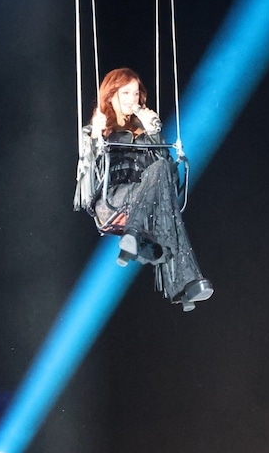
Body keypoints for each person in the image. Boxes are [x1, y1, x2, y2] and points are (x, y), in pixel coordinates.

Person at [74, 67, 213, 311]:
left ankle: (173, 274)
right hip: (112, 201)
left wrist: (154, 133)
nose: (132, 99)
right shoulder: (99, 130)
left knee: (164, 190)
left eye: (136, 93)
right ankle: (176, 276)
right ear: (111, 96)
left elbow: (168, 173)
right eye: (125, 93)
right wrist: (96, 135)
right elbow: (90, 169)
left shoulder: (145, 131)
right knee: (166, 208)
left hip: (144, 204)